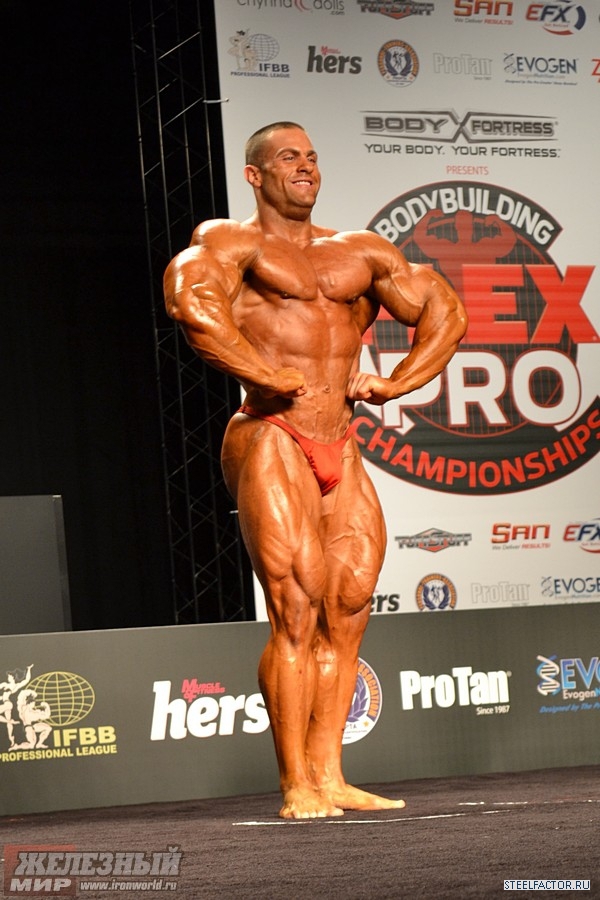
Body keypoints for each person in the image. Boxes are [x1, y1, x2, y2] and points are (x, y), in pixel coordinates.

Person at [163, 122, 467, 819]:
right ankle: (295, 783)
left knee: (349, 605)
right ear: (255, 174)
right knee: (295, 608)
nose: (305, 167)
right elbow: (192, 302)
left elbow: (443, 310)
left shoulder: (359, 251)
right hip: (272, 433)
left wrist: (398, 381)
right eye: (287, 158)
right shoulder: (230, 242)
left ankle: (330, 775)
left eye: (311, 157)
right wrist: (260, 371)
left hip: (342, 439)